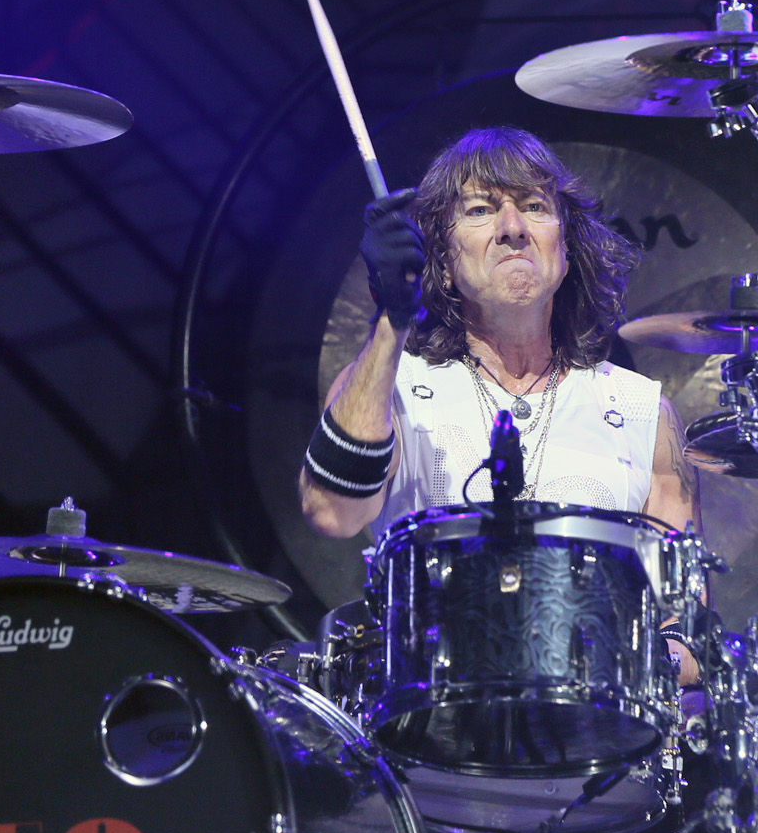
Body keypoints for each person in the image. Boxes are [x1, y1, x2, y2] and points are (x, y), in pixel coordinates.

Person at [298, 126, 699, 681]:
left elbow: (686, 633)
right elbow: (331, 512)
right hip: (435, 721)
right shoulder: (394, 387)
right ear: (443, 257)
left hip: (596, 729)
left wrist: (625, 663)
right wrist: (393, 315)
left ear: (566, 247)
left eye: (534, 206)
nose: (513, 228)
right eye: (481, 210)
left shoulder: (642, 413)